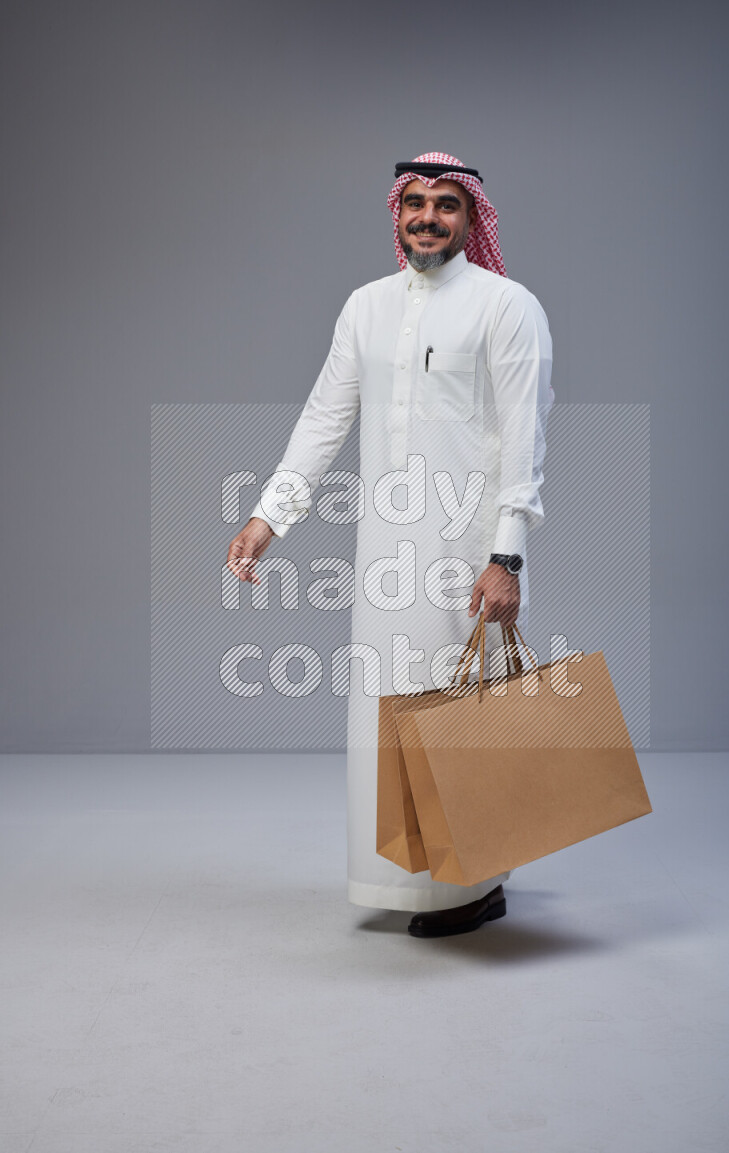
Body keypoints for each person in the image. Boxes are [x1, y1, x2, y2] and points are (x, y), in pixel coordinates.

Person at [226, 152, 554, 937]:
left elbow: (525, 441)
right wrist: (269, 515)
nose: (428, 217)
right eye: (415, 202)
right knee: (390, 717)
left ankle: (475, 883)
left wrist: (506, 555)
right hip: (383, 557)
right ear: (396, 213)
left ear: (472, 219)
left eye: (447, 204)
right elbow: (323, 419)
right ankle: (414, 880)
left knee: (464, 718)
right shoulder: (366, 307)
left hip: (467, 554)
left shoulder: (507, 307)